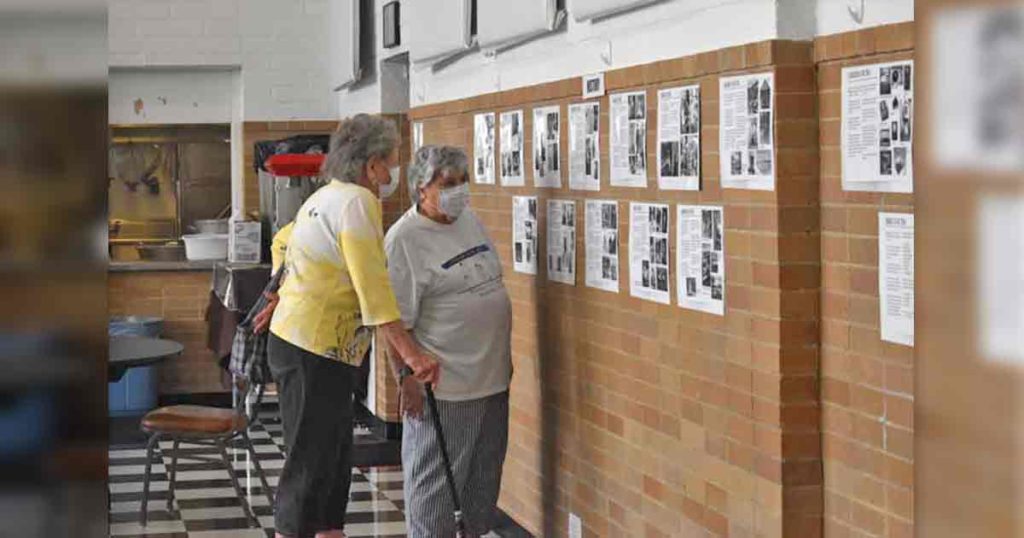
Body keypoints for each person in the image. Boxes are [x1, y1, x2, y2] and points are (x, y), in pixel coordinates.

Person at [263, 114, 440, 538]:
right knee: (310, 461)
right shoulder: (358, 202)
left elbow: (283, 241)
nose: (394, 171)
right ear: (372, 163)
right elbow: (373, 292)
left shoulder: (327, 196)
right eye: (392, 161)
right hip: (313, 348)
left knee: (333, 457)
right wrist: (412, 357)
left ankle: (330, 531)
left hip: (317, 346)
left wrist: (284, 291)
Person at [384, 145, 513, 538]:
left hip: (491, 383)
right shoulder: (404, 240)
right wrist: (405, 377)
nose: (460, 191)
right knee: (434, 500)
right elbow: (391, 322)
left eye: (463, 181)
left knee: (480, 496)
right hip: (444, 391)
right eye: (449, 184)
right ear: (422, 189)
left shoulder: (469, 220)